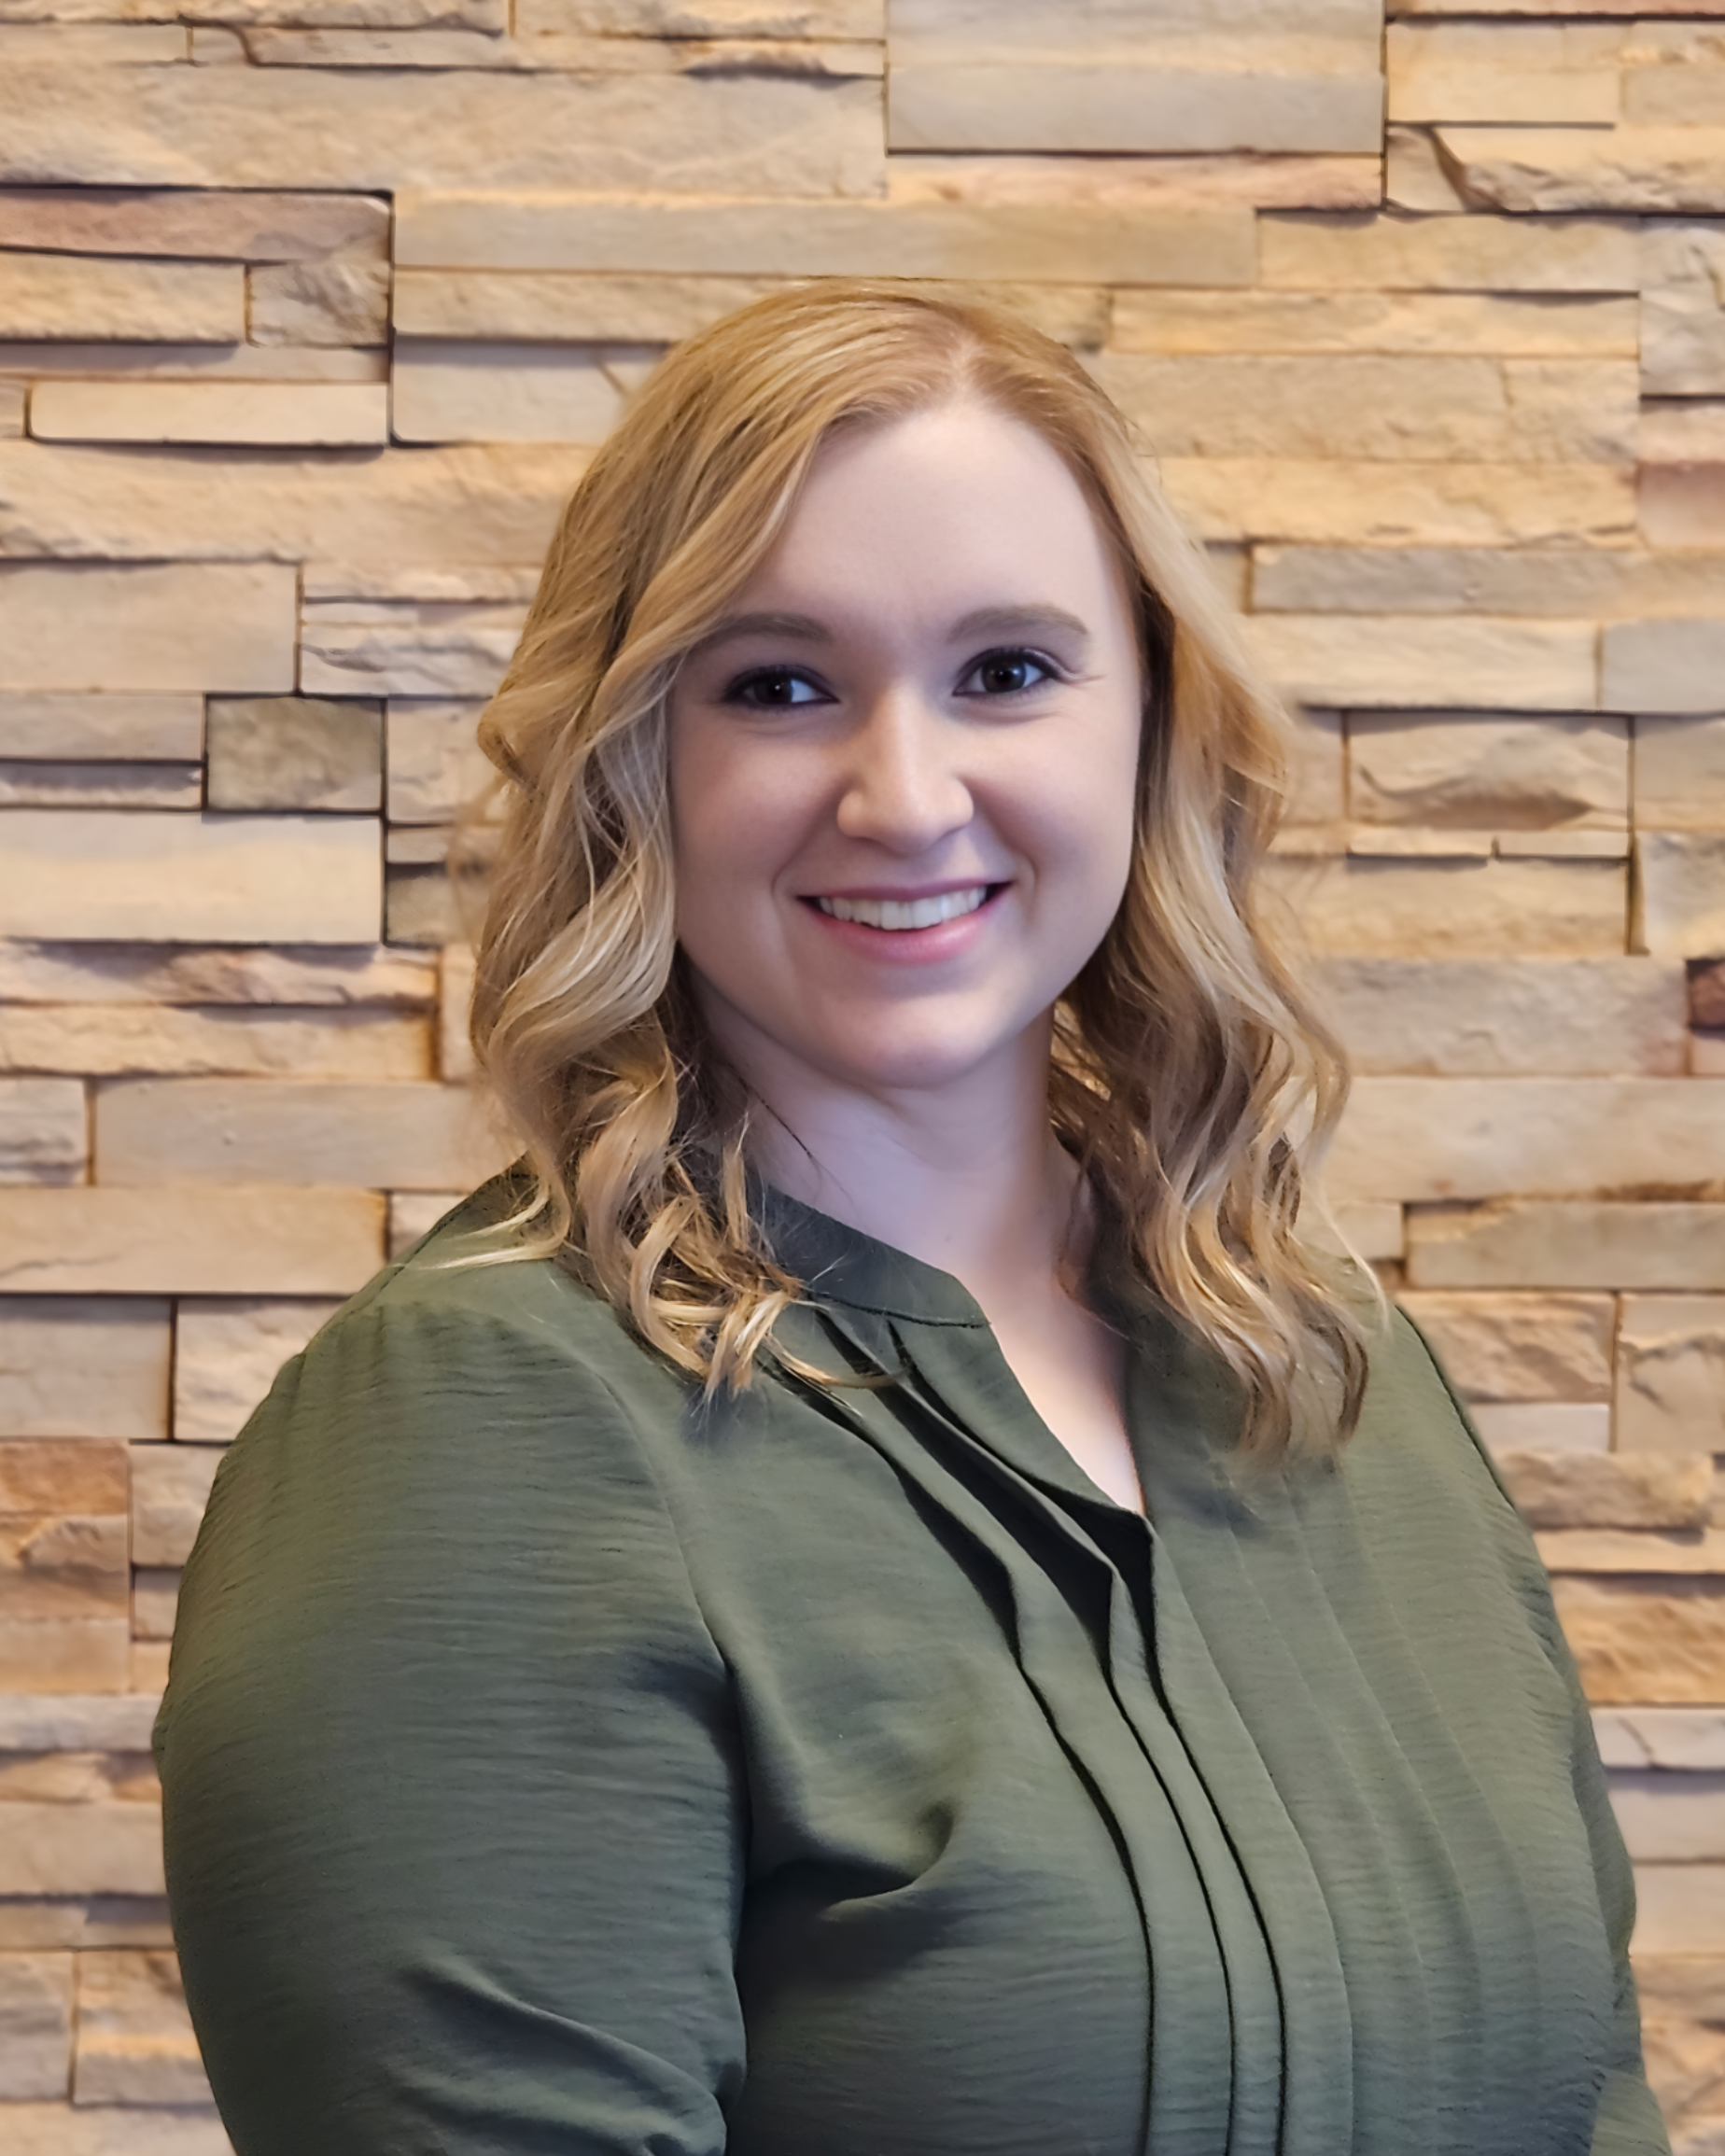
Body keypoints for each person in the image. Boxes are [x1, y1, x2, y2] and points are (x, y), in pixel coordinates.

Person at [155, 282, 1669, 2156]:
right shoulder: (478, 1438)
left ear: (1151, 724)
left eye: (1008, 673)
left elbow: (1591, 2099)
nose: (907, 794)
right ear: (641, 757)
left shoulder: (1337, 1375)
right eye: (779, 684)